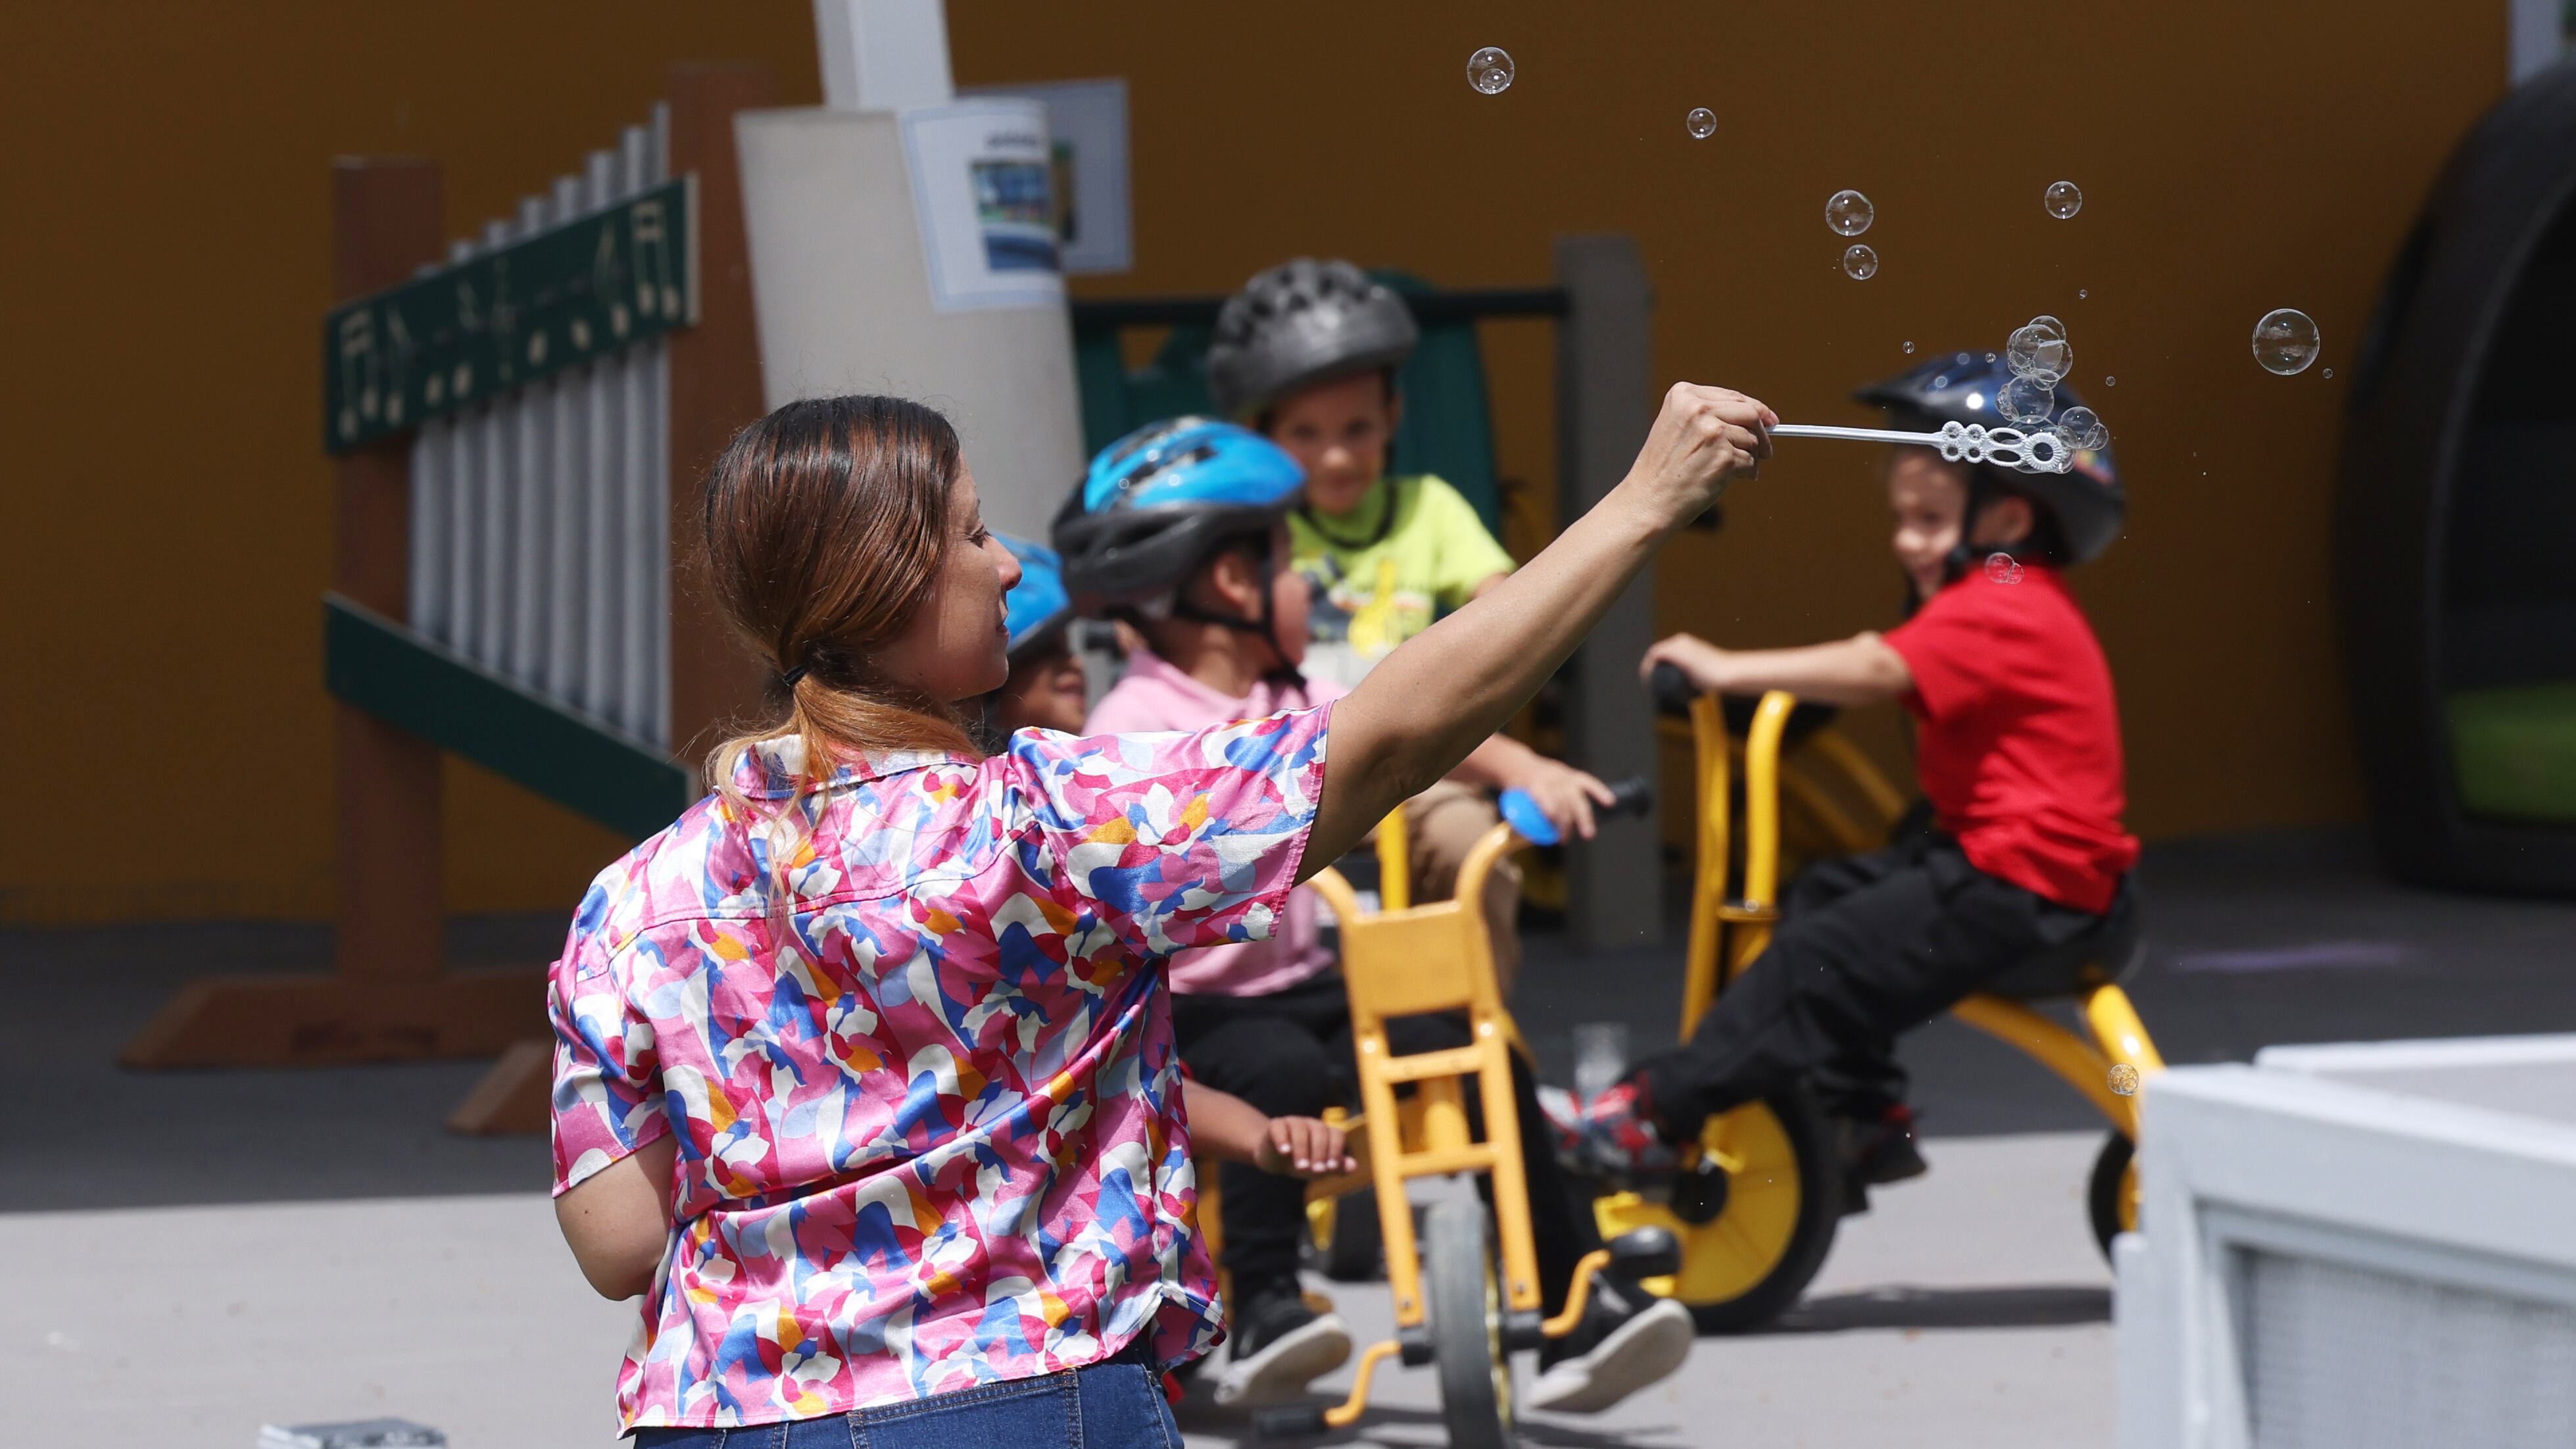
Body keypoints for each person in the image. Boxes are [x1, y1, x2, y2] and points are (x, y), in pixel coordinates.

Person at [547, 383, 1771, 1443]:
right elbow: (1389, 740)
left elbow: (614, 1238)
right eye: (973, 532)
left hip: (718, 1415)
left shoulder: (633, 898)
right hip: (1020, 1400)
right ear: (889, 583)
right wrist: (1639, 504)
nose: (1008, 563)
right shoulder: (1043, 823)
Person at [1055, 415, 1696, 1414]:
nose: (1312, 585)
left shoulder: (1290, 688)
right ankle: (1266, 1300)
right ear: (1233, 584)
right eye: (1292, 562)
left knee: (1468, 1035)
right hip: (1207, 1012)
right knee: (1278, 1069)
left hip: (1312, 978)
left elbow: (1413, 717)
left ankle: (1578, 1292)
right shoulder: (1131, 726)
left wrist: (1528, 765)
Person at [1564, 353, 2138, 1196]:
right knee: (1830, 896)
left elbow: (1879, 668)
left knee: (1813, 961)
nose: (1907, 540)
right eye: (1901, 516)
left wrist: (1727, 668)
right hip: (2020, 875)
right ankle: (1862, 1119)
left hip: (2025, 890)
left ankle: (1657, 1111)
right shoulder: (1997, 598)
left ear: (2009, 516)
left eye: (1931, 518)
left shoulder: (2003, 602)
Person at [1209, 259, 1601, 995]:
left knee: (1471, 843)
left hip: (1420, 772)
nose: (1335, 454)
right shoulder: (1253, 532)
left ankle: (1473, 1030)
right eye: (1305, 432)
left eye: (1357, 428)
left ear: (1392, 417)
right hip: (1289, 772)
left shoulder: (1429, 509)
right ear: (1260, 435)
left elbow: (1510, 610)